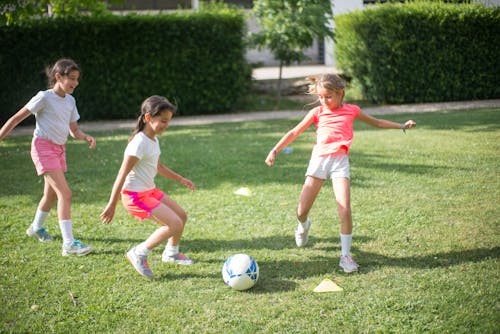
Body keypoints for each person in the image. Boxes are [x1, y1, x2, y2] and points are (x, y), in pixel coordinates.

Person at [265, 74, 416, 273]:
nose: (324, 101)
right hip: (319, 161)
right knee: (301, 211)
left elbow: (377, 122)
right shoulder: (317, 112)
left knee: (344, 209)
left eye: (328, 97)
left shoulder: (352, 111)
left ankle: (345, 256)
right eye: (321, 97)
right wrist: (275, 149)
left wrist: (401, 126)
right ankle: (303, 225)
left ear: (340, 93)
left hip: (340, 162)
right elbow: (294, 132)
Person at [0, 58, 96, 256]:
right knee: (65, 193)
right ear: (58, 77)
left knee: (51, 194)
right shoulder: (44, 97)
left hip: (60, 149)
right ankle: (69, 244)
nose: (75, 83)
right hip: (43, 148)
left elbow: (74, 130)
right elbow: (17, 118)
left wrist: (85, 136)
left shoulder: (70, 101)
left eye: (77, 79)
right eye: (71, 78)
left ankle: (36, 228)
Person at [100, 95, 195, 279]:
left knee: (181, 216)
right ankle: (139, 253)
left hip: (149, 191)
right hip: (134, 195)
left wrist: (181, 179)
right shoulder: (139, 143)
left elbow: (158, 167)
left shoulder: (153, 139)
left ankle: (171, 253)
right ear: (148, 118)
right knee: (174, 223)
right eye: (163, 121)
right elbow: (122, 174)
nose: (166, 125)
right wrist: (112, 203)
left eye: (168, 121)